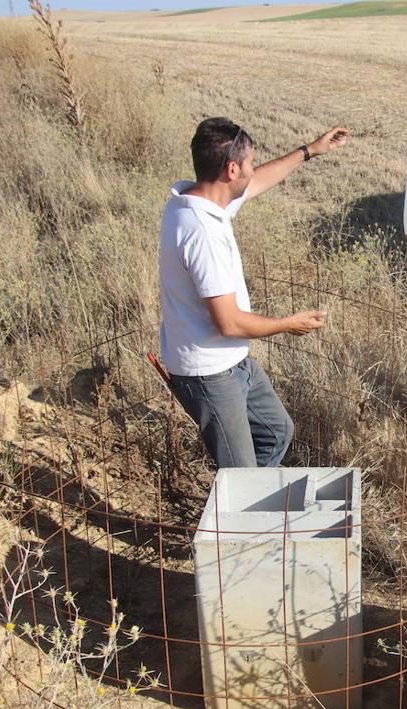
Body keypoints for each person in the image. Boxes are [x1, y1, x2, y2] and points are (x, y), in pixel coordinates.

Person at [159, 117, 349, 468]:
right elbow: (229, 323)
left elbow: (257, 182)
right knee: (240, 476)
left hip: (230, 361)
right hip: (208, 372)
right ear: (231, 170)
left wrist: (310, 151)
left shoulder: (197, 198)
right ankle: (235, 517)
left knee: (276, 431)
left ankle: (247, 509)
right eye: (248, 163)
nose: (252, 170)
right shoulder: (203, 232)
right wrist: (288, 324)